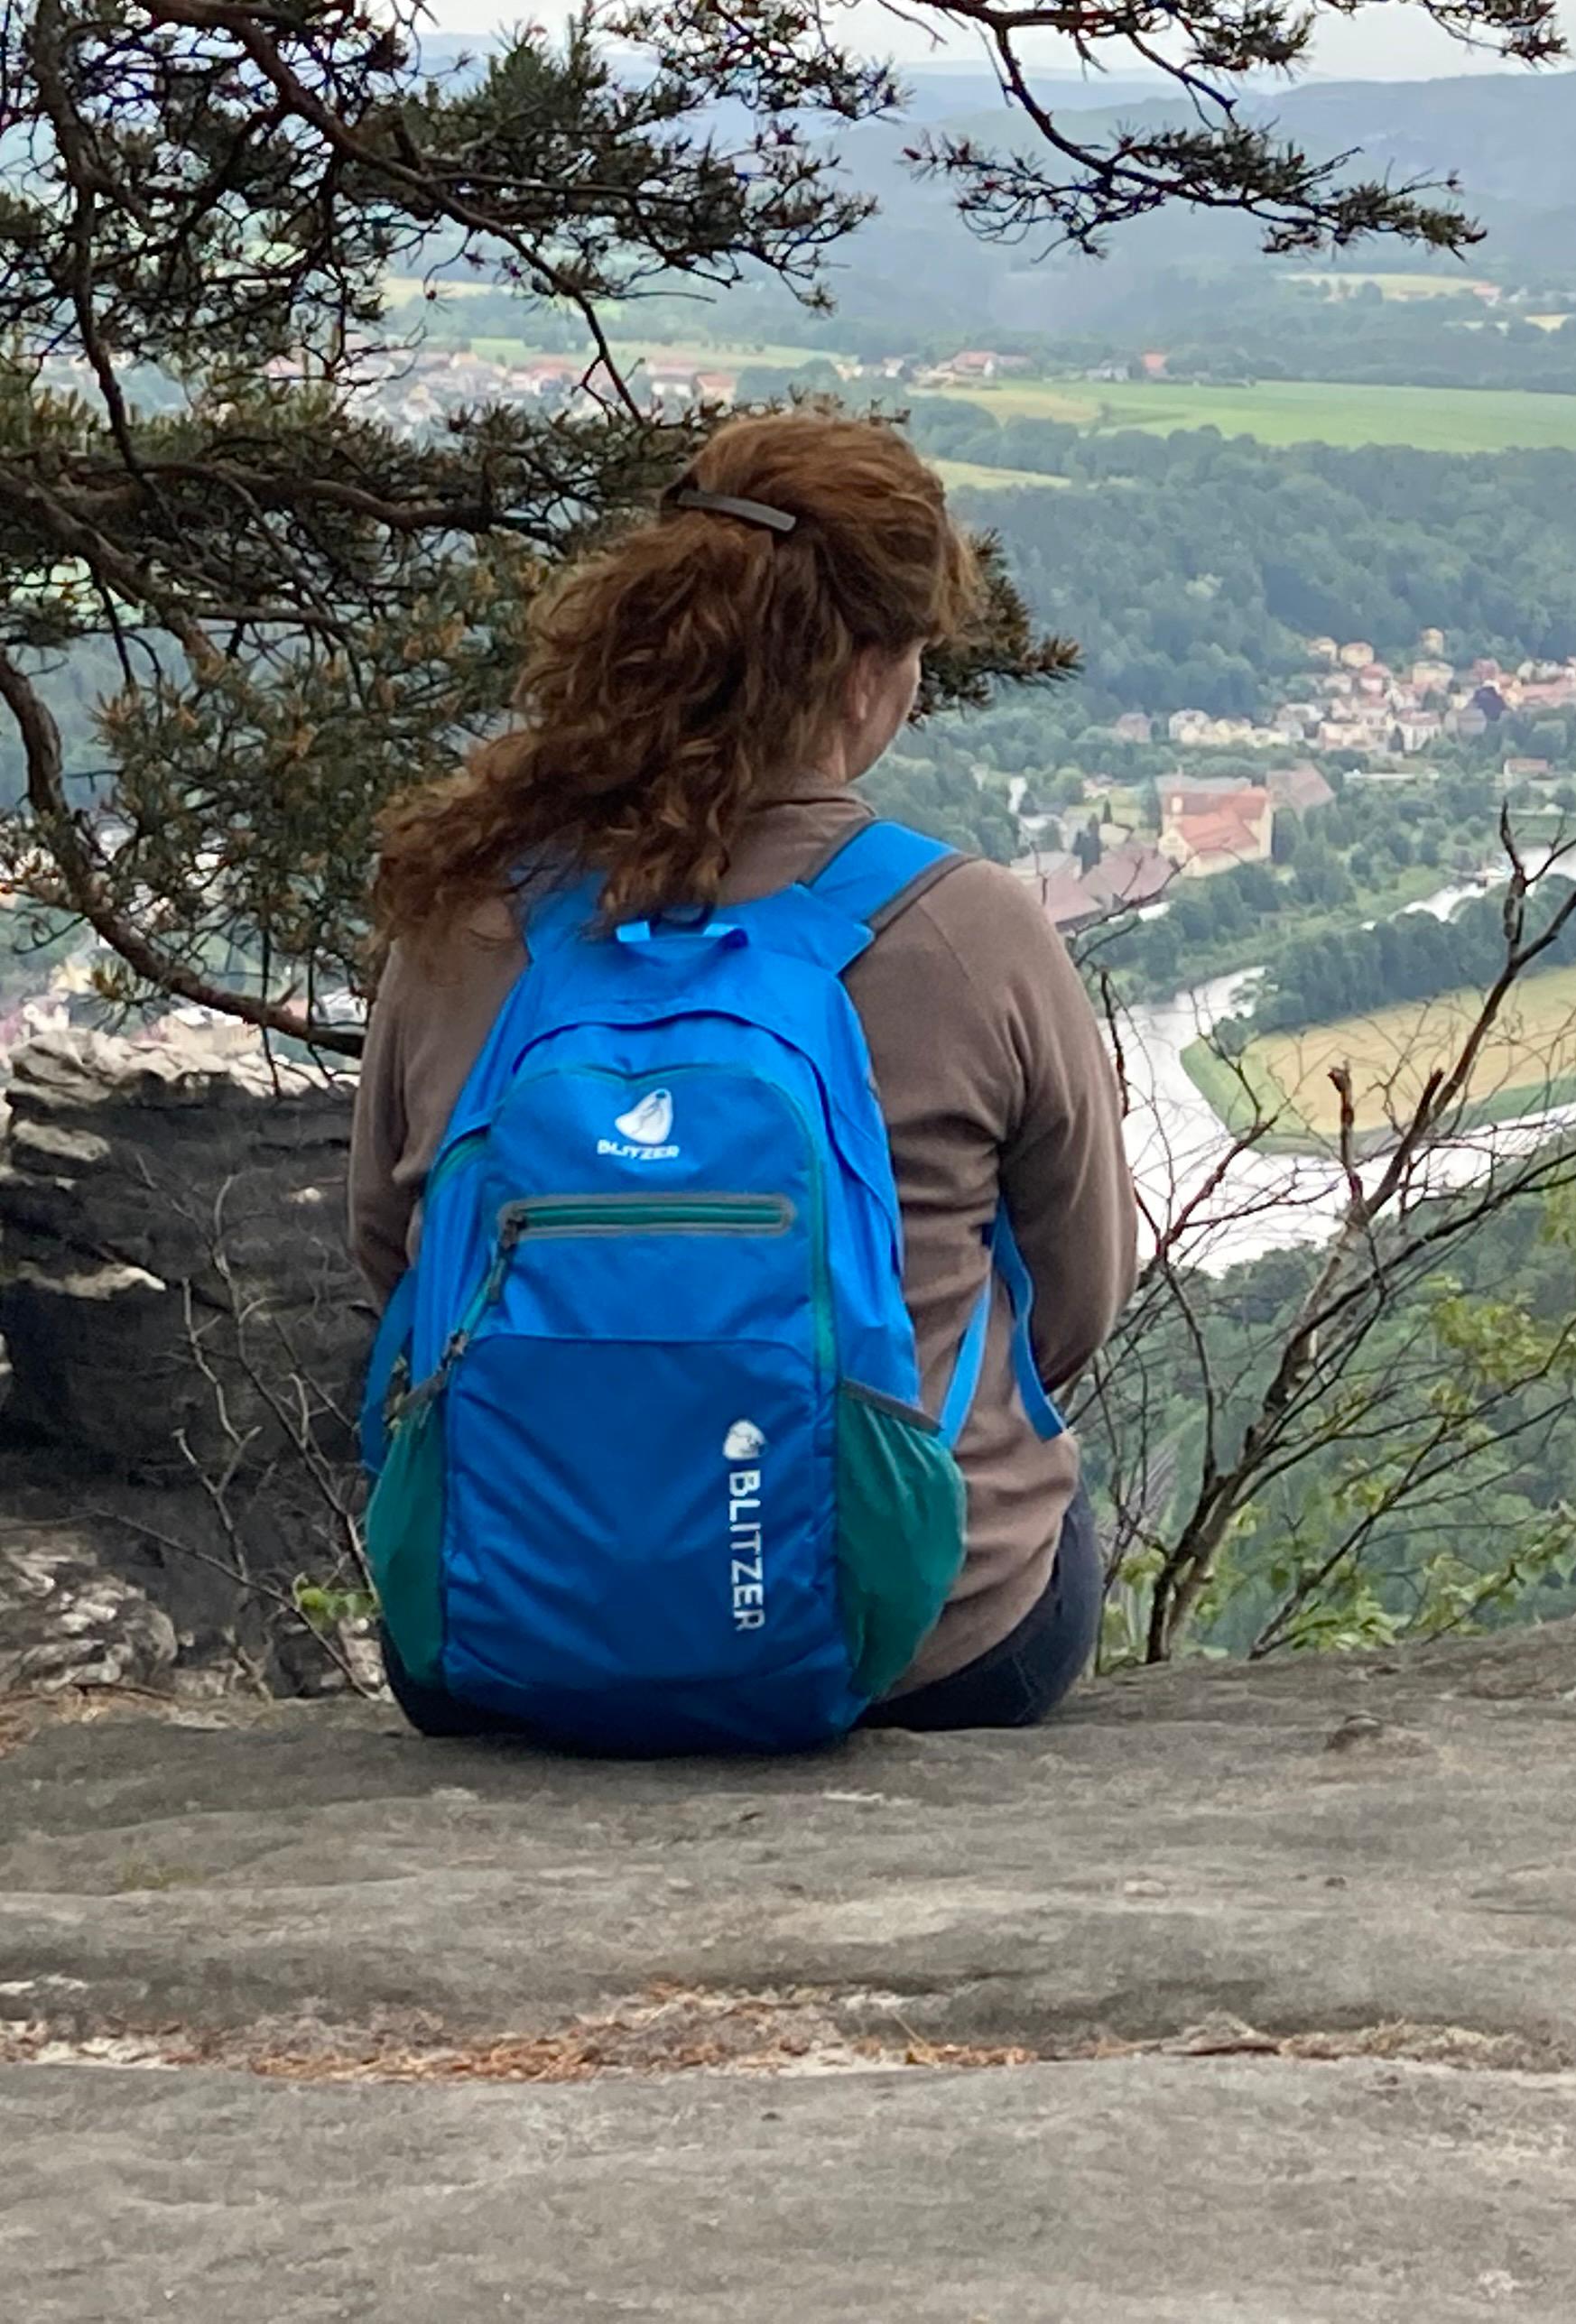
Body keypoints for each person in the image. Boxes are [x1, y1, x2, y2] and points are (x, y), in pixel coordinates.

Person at [348, 412, 1133, 1735]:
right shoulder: (969, 926)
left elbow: (391, 1258)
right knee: (1037, 1520)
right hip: (930, 1641)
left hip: (501, 1630)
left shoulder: (470, 908)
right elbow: (1078, 1300)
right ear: (870, 672)